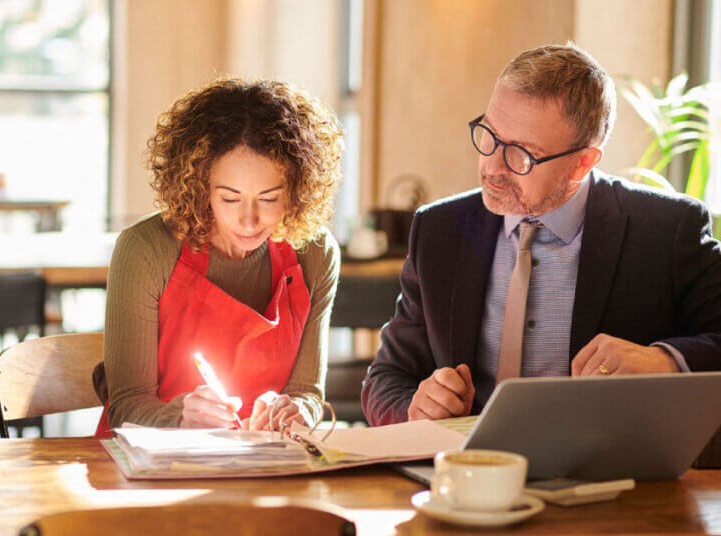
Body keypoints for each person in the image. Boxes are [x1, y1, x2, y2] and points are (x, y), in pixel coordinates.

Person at [362, 43, 721, 426]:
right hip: (466, 475)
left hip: (609, 475)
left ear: (583, 162)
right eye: (490, 135)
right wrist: (415, 407)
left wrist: (665, 361)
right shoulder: (439, 229)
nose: (492, 166)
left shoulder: (666, 230)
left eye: (522, 154)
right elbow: (385, 380)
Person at [93, 77, 343, 437]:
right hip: (147, 470)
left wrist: (294, 410)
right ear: (199, 186)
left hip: (261, 468)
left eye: (269, 198)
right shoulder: (146, 249)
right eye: (229, 198)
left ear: (298, 191)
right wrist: (180, 417)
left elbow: (307, 392)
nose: (248, 220)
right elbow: (125, 405)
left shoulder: (314, 253)